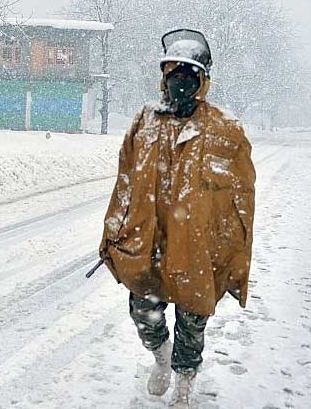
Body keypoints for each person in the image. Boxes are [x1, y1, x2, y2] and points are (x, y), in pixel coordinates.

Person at [98, 29, 256, 409]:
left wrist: (234, 248)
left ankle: (186, 380)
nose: (180, 82)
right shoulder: (145, 123)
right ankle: (161, 357)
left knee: (193, 317)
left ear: (202, 81)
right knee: (143, 311)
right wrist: (112, 233)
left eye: (189, 76)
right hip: (150, 240)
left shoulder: (224, 129)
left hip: (198, 245)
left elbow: (242, 195)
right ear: (164, 78)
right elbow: (125, 181)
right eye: (174, 75)